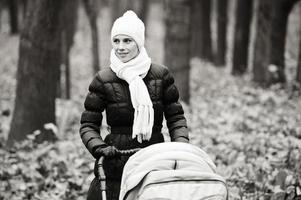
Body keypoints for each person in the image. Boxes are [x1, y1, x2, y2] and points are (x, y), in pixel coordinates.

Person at [79, 10, 189, 200]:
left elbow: (176, 118)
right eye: (116, 41)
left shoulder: (161, 75)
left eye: (127, 41)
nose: (120, 47)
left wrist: (180, 147)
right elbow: (88, 125)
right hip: (115, 162)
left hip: (154, 161)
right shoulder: (103, 79)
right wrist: (99, 147)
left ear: (138, 42)